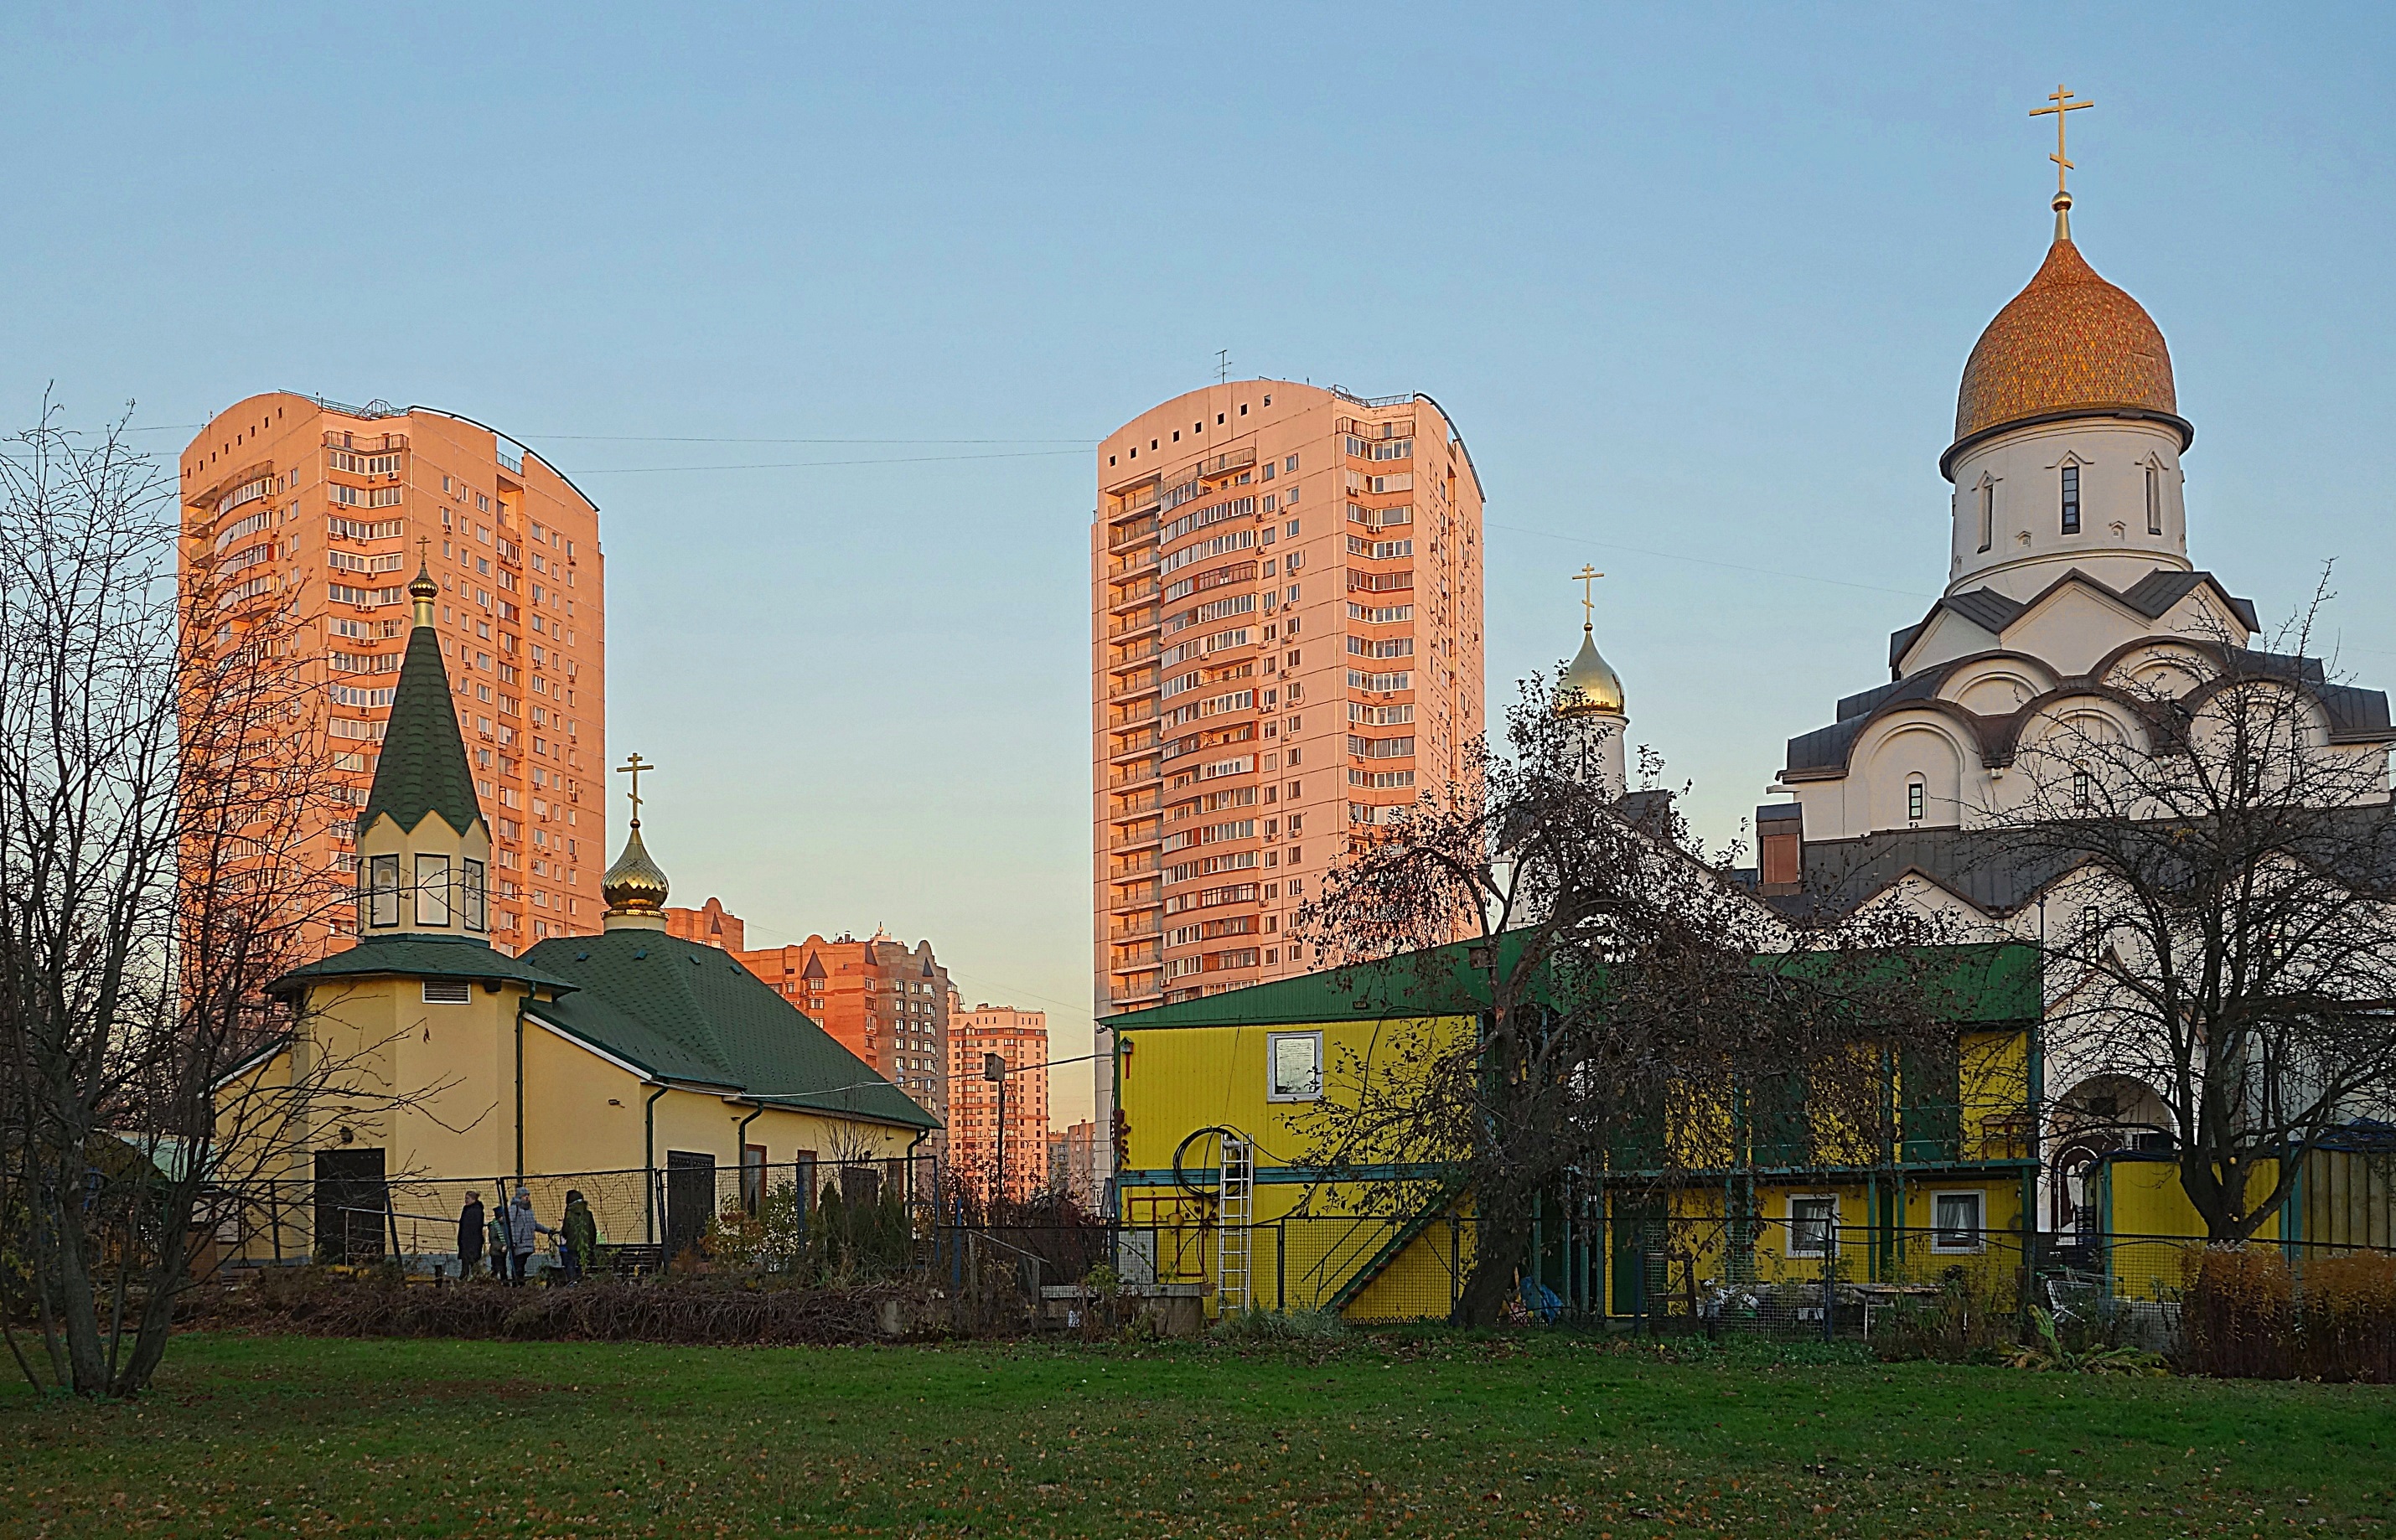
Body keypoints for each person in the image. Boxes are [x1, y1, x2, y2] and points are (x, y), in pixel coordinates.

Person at [503, 1184, 556, 1284]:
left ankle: (519, 1283)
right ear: (519, 1196)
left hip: (528, 1242)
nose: (527, 1197)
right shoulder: (514, 1209)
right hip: (519, 1243)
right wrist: (513, 1241)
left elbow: (534, 1224)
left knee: (521, 1264)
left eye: (527, 1195)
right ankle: (517, 1284)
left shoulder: (529, 1210)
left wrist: (548, 1230)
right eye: (524, 1195)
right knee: (518, 1265)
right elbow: (511, 1226)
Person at [560, 1190, 598, 1284]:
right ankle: (581, 1281)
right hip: (585, 1245)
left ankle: (572, 1282)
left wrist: (568, 1237)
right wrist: (591, 1243)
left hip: (572, 1245)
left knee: (571, 1263)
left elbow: (565, 1230)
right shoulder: (588, 1214)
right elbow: (592, 1230)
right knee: (583, 1263)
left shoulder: (569, 1214)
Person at [455, 1192, 485, 1280]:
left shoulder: (476, 1211)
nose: (465, 1200)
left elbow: (473, 1228)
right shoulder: (467, 1210)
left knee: (471, 1263)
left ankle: (469, 1280)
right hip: (466, 1242)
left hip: (472, 1242)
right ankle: (468, 1279)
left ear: (473, 1199)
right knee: (466, 1263)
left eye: (467, 1198)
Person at [488, 1205, 511, 1279]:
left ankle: (504, 1282)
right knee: (497, 1268)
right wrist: (501, 1247)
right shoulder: (494, 1226)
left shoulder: (505, 1225)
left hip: (503, 1251)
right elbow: (493, 1239)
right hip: (496, 1251)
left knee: (503, 1268)